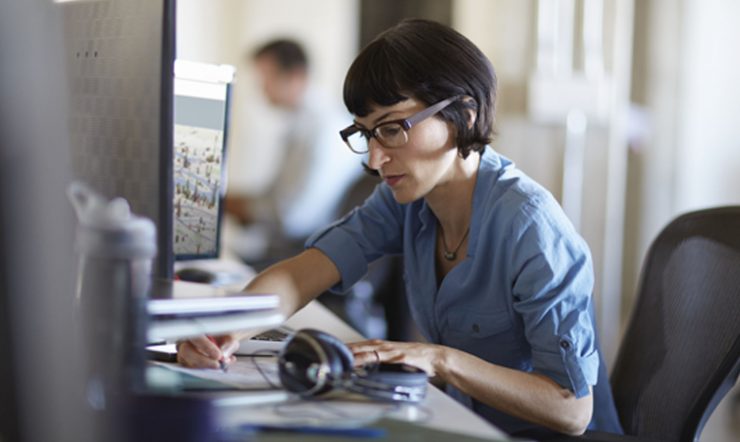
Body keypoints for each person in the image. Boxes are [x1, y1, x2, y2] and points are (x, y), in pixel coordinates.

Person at [178, 20, 622, 437]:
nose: (373, 159)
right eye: (366, 133)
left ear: (464, 115)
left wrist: (440, 360)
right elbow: (303, 272)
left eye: (392, 129)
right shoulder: (404, 203)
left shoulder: (530, 225)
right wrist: (225, 328)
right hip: (467, 425)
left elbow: (571, 410)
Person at [225, 39, 362, 267]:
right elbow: (277, 198)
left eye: (266, 79)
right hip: (296, 247)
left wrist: (229, 205)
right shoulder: (305, 122)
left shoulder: (321, 128)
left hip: (309, 254)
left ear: (295, 76)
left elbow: (293, 218)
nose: (262, 89)